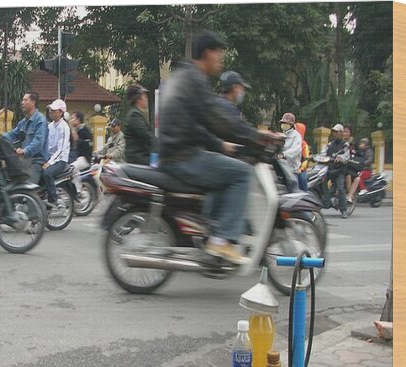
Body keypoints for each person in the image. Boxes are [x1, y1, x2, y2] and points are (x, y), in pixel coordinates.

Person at [159, 30, 279, 264]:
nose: (220, 60)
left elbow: (194, 125)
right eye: (219, 54)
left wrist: (221, 146)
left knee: (225, 171)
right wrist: (255, 136)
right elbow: (216, 119)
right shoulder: (194, 79)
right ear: (207, 53)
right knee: (241, 173)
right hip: (183, 157)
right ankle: (221, 241)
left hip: (176, 152)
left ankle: (210, 231)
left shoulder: (182, 76)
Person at [3, 92, 49, 184]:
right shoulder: (24, 121)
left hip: (37, 161)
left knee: (28, 186)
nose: (22, 102)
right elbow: (13, 133)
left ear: (33, 102)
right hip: (26, 160)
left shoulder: (40, 120)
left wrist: (25, 151)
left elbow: (38, 142)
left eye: (25, 100)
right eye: (22, 100)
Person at [41, 99, 71, 207]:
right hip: (50, 157)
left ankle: (53, 201)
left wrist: (50, 163)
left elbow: (61, 149)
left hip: (60, 160)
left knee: (47, 173)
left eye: (54, 110)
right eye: (51, 110)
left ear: (60, 112)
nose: (51, 112)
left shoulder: (64, 127)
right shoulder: (50, 126)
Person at [319, 123, 351, 216]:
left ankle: (343, 210)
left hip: (339, 171)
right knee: (321, 182)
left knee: (341, 189)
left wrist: (341, 158)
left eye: (337, 132)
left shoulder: (345, 145)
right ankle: (326, 202)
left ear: (341, 133)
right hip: (329, 169)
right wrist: (317, 157)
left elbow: (347, 156)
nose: (335, 134)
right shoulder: (329, 144)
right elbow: (323, 153)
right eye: (334, 132)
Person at [124, 84, 154, 165]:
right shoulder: (134, 115)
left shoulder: (138, 114)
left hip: (142, 158)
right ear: (138, 99)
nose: (146, 99)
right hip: (139, 159)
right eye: (144, 96)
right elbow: (146, 137)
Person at [68, 111, 93, 195]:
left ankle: (79, 191)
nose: (71, 120)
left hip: (85, 158)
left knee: (73, 168)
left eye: (73, 118)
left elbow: (86, 145)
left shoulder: (85, 131)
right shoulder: (75, 131)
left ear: (78, 120)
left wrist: (76, 138)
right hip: (75, 157)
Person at [277, 112, 302, 182]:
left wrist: (283, 154)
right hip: (282, 167)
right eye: (282, 123)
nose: (283, 125)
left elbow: (296, 150)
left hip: (292, 170)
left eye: (285, 123)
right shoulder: (282, 135)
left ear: (291, 124)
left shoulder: (296, 136)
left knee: (292, 190)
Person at [295, 122, 311, 192]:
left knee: (301, 178)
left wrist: (301, 169)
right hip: (291, 167)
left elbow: (306, 159)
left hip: (300, 168)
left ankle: (305, 194)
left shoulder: (304, 145)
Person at [343, 124, 355, 195]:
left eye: (347, 132)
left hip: (351, 163)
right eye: (344, 132)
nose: (345, 134)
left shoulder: (353, 142)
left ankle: (349, 193)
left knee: (347, 173)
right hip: (341, 162)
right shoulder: (340, 141)